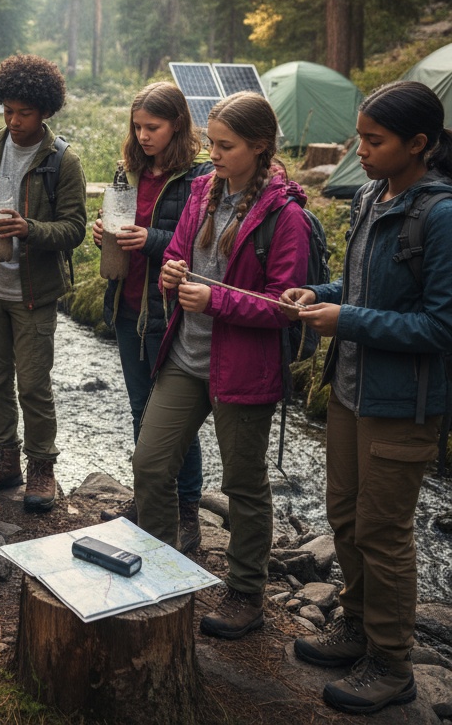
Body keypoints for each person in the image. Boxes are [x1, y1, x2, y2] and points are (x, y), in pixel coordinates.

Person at [283, 80, 452, 715]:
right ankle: (355, 626)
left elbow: (441, 327)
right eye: (359, 137)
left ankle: (392, 664)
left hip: (404, 404)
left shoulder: (441, 217)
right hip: (350, 392)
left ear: (419, 144)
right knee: (347, 517)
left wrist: (347, 319)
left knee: (383, 532)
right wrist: (319, 293)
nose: (360, 150)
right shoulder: (369, 197)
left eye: (374, 141)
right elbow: (357, 285)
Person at [131, 90, 309, 639]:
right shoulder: (203, 191)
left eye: (226, 146)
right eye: (211, 142)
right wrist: (171, 272)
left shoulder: (286, 216)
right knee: (150, 464)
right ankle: (159, 568)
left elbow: (284, 306)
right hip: (186, 358)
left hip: (245, 369)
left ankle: (245, 594)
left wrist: (216, 300)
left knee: (243, 485)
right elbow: (179, 253)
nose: (213, 154)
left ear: (259, 146)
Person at [0, 54, 87, 512]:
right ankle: (4, 460)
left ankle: (42, 467)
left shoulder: (62, 161)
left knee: (33, 385)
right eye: (7, 110)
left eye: (23, 113)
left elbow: (74, 229)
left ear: (45, 110)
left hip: (34, 293)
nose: (13, 121)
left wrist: (30, 229)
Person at [92, 82, 213, 551]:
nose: (143, 135)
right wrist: (103, 234)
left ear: (177, 125)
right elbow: (121, 227)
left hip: (171, 314)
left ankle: (187, 512)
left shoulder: (198, 178)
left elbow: (200, 248)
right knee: (140, 409)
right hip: (128, 308)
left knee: (173, 422)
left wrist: (151, 240)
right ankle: (147, 500)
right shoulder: (131, 171)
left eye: (153, 127)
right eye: (137, 126)